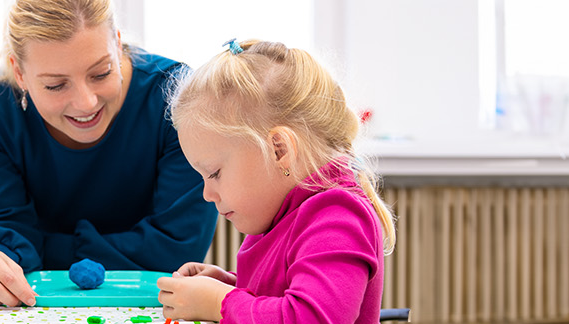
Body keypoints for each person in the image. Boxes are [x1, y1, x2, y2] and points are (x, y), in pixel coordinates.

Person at [0, 0, 217, 307]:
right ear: (19, 72)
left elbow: (176, 249)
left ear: (118, 45)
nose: (86, 103)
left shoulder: (178, 99)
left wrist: (39, 249)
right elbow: (0, 235)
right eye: (55, 85)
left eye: (101, 72)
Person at [155, 39, 398, 323]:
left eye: (215, 173)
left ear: (279, 149)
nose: (208, 194)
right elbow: (286, 295)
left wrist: (220, 302)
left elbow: (308, 317)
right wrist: (232, 285)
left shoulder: (337, 217)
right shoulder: (282, 211)